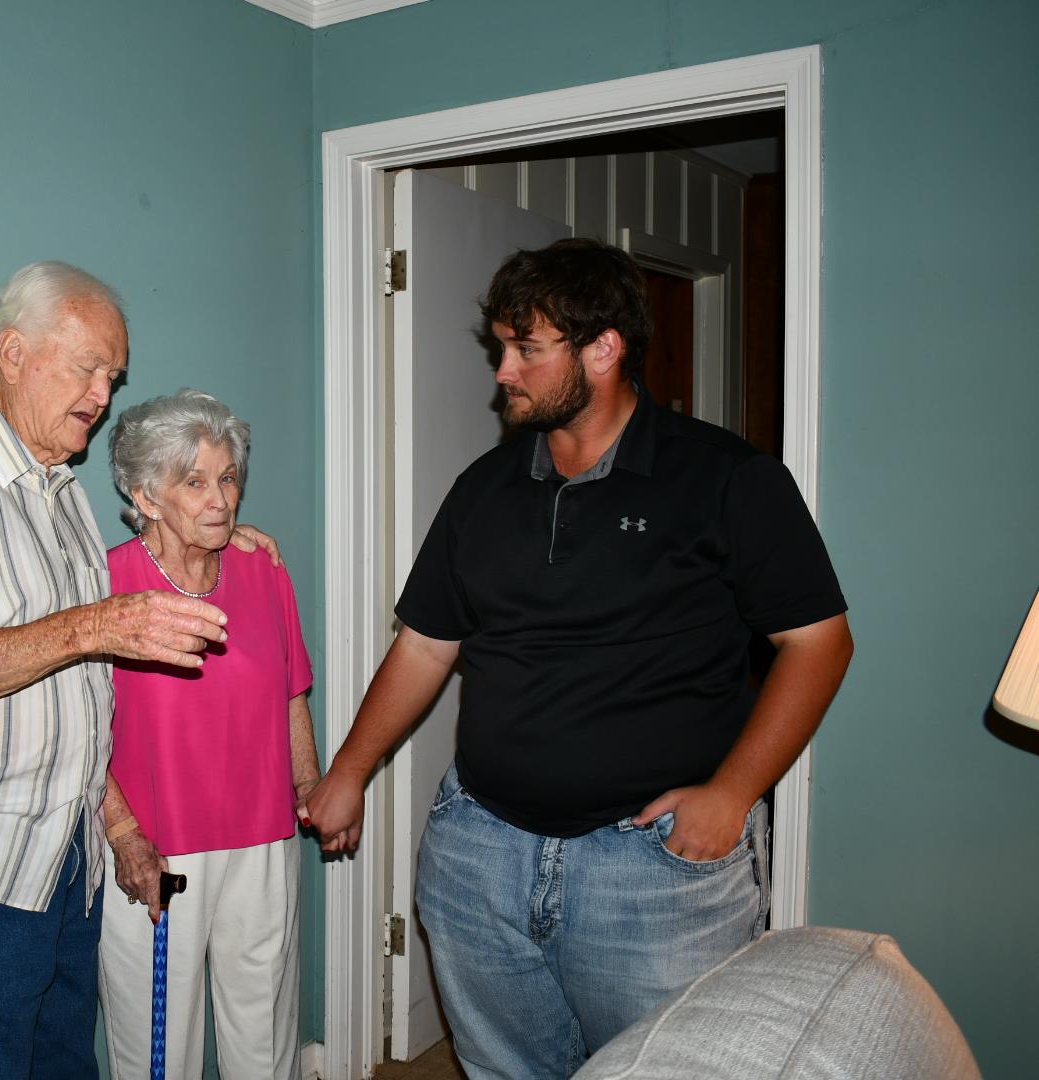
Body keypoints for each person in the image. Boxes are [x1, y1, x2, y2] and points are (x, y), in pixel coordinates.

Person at [305, 238, 854, 1079]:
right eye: (500, 347)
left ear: (603, 348)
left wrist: (733, 794)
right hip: (480, 850)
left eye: (527, 348)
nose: (504, 371)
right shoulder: (481, 491)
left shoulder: (726, 479)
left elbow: (818, 642)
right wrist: (348, 769)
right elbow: (425, 643)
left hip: (655, 870)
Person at [0, 263, 277, 1079]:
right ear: (13, 354)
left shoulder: (62, 496)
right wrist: (99, 623)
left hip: (63, 852)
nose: (102, 393)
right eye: (88, 368)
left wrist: (119, 831)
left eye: (113, 376)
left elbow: (75, 694)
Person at [96, 389, 318, 1080]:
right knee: (158, 1048)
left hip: (264, 839)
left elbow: (290, 694)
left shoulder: (263, 569)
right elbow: (75, 730)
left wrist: (308, 785)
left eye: (228, 478)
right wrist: (123, 831)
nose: (220, 498)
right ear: (145, 493)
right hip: (156, 849)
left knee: (266, 1037)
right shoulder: (105, 583)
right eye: (194, 482)